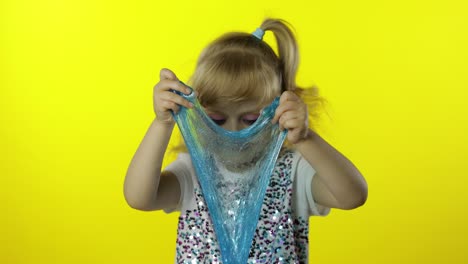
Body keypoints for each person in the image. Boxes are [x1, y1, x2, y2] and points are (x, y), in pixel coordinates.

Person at [124, 18, 368, 263]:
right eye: (217, 119)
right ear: (197, 115)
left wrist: (306, 139)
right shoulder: (194, 172)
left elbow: (353, 195)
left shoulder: (291, 172)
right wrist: (162, 124)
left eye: (251, 119)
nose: (233, 132)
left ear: (278, 110)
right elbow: (138, 197)